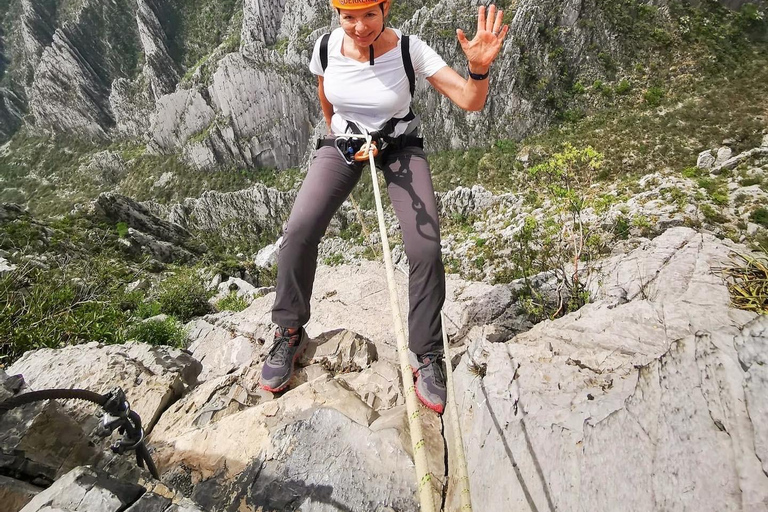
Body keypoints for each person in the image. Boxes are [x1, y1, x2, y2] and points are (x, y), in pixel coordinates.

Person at [260, 0, 509, 414]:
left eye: (369, 15)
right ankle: (289, 330)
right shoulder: (324, 47)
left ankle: (426, 354)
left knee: (425, 248)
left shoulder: (411, 50)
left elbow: (470, 101)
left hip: (399, 146)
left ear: (386, 8)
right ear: (335, 14)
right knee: (298, 231)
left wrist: (479, 69)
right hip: (345, 147)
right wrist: (342, 137)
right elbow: (328, 98)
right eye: (348, 17)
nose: (359, 27)